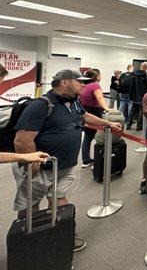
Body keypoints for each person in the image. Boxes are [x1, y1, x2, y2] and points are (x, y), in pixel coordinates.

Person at [13, 69, 122, 251]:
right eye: (79, 81)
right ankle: (27, 241)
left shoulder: (73, 102)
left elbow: (85, 117)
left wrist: (108, 123)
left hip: (66, 166)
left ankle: (62, 235)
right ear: (64, 82)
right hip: (41, 168)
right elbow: (22, 140)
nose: (83, 85)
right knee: (31, 204)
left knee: (60, 199)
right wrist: (33, 164)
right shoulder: (40, 105)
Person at [79, 69, 109, 168]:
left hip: (85, 112)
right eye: (99, 74)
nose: (101, 76)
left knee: (87, 137)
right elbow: (100, 98)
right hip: (95, 113)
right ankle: (98, 160)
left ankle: (85, 160)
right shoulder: (95, 85)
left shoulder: (84, 86)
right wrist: (107, 109)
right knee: (99, 137)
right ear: (96, 76)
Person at [127, 62, 147, 131]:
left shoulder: (133, 75)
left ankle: (128, 125)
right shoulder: (146, 76)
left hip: (134, 95)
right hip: (143, 96)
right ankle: (139, 126)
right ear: (146, 68)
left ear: (141, 67)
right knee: (141, 110)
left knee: (133, 110)